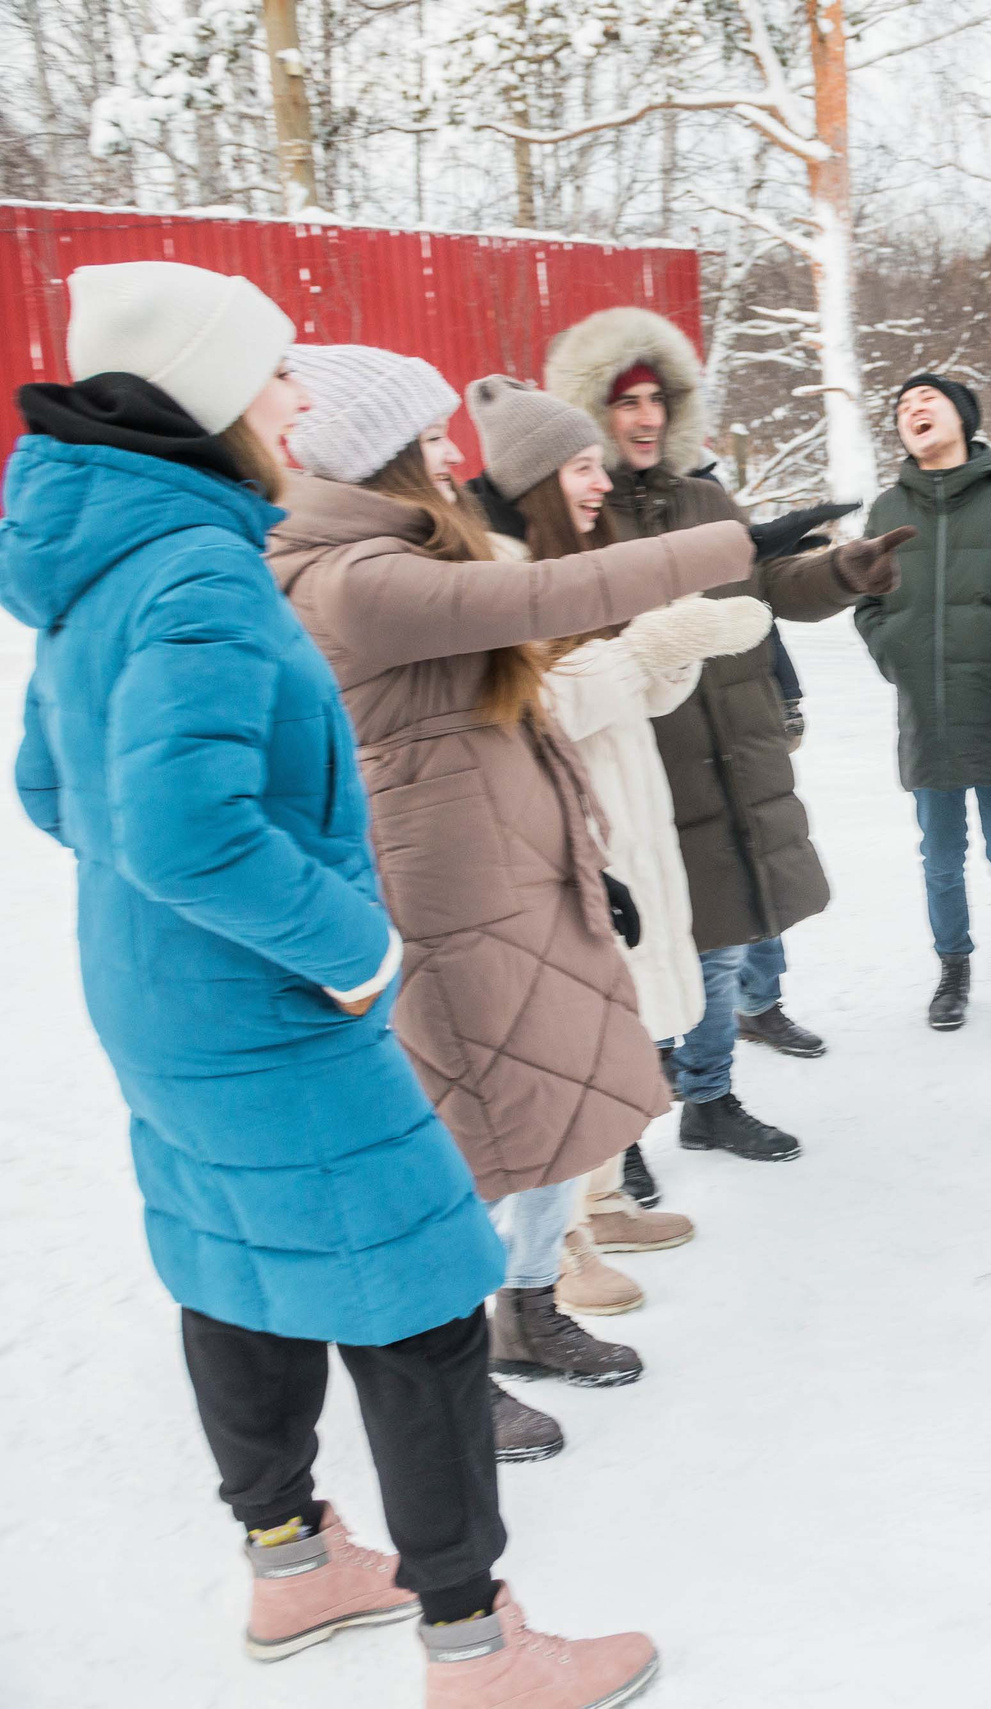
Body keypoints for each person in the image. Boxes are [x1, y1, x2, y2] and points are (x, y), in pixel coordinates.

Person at [1, 261, 656, 1705]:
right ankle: (475, 1647)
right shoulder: (199, 571)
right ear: (208, 390)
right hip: (271, 1013)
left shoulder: (107, 561)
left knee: (233, 1262)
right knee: (419, 1297)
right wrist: (354, 945)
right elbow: (187, 828)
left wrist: (169, 920)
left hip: (157, 1000)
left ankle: (292, 1562)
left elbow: (54, 787)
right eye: (278, 366)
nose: (298, 394)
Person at [267, 344, 769, 1416]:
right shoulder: (355, 577)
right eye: (431, 438)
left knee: (546, 1106)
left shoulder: (409, 551)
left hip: (519, 864)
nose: (454, 456)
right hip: (447, 890)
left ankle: (529, 1306)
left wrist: (582, 851)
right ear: (383, 453)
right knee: (471, 1134)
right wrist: (733, 544)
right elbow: (550, 593)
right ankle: (451, 1364)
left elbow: (520, 714)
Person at [545, 307, 910, 1166]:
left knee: (721, 950)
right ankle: (623, 1137)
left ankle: (709, 1100)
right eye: (626, 401)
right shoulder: (573, 515)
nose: (646, 418)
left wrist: (841, 571)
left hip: (733, 760)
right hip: (640, 771)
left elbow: (768, 582)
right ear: (591, 410)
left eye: (658, 399)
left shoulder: (706, 498)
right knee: (638, 960)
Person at [467, 375, 752, 1315]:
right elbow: (533, 704)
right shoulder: (496, 573)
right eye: (582, 466)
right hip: (558, 834)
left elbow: (638, 691)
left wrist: (681, 641)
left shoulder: (579, 561)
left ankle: (598, 1200)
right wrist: (647, 646)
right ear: (537, 476)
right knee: (570, 1049)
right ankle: (555, 1250)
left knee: (615, 1030)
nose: (600, 482)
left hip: (625, 810)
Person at [854, 374, 991, 1038]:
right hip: (926, 715)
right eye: (903, 405)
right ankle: (953, 971)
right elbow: (867, 604)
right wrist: (897, 657)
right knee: (941, 858)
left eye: (928, 399)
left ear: (963, 418)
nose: (912, 408)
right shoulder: (887, 510)